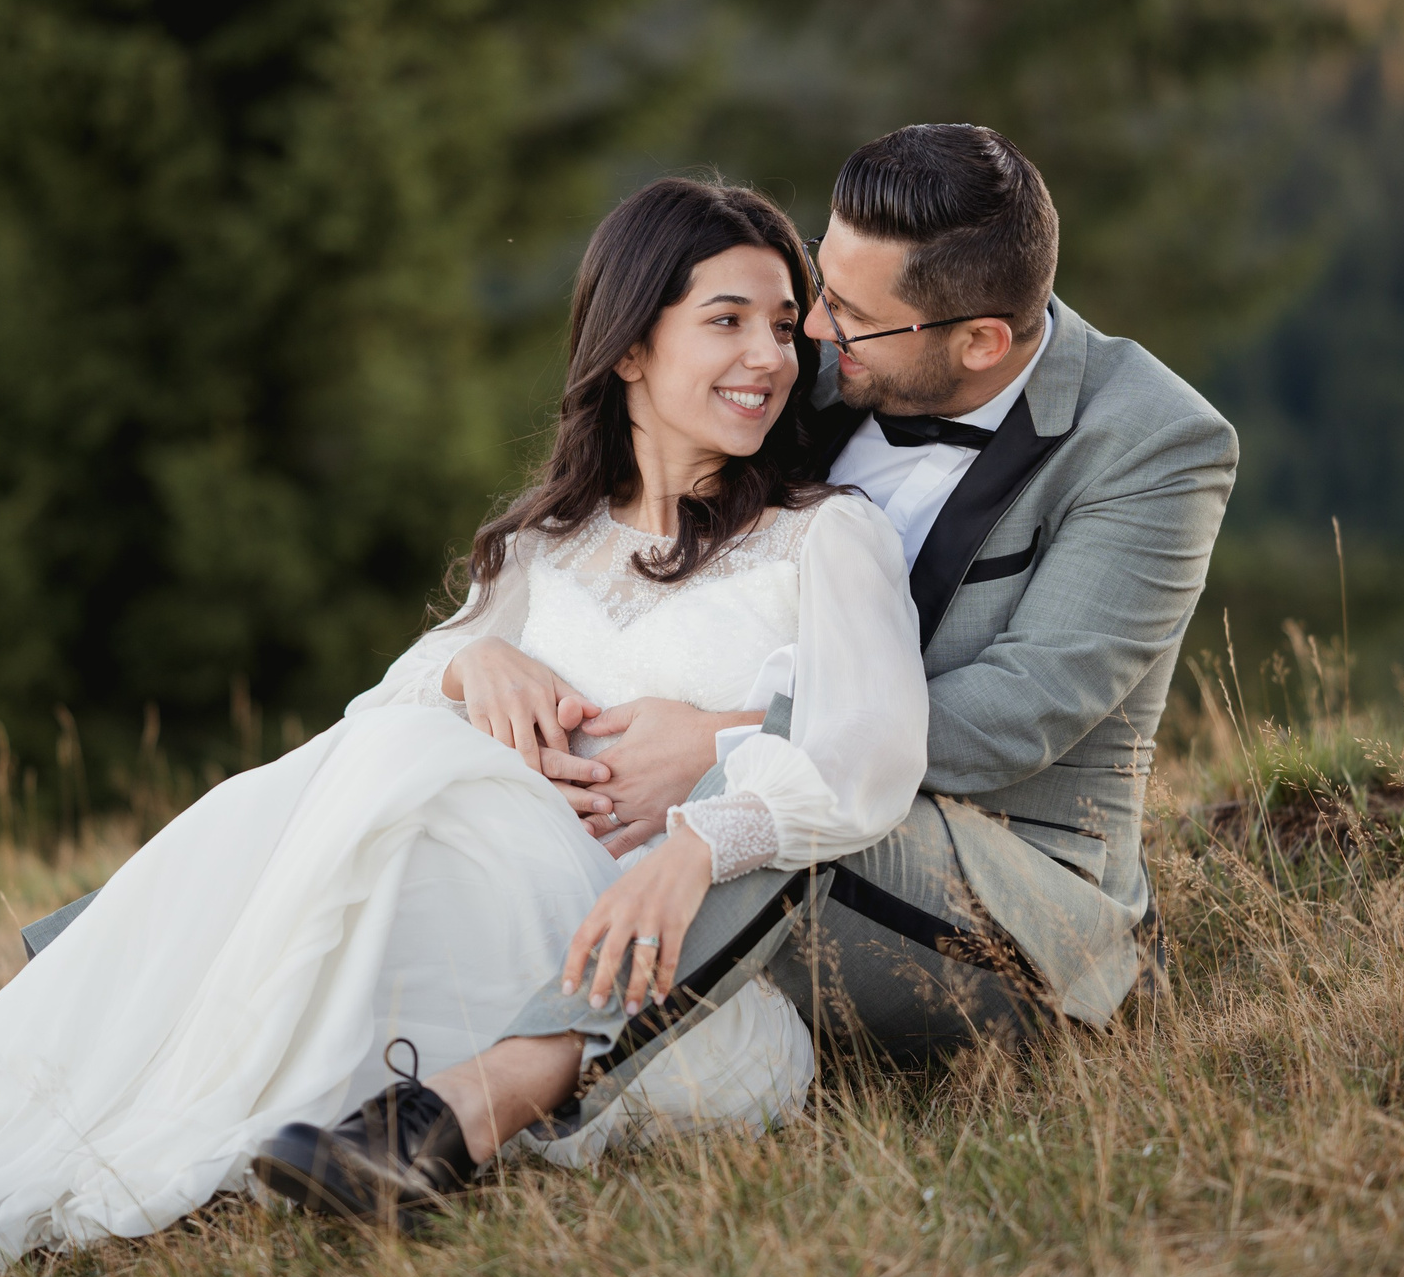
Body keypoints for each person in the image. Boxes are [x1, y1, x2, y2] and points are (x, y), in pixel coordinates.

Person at [0, 178, 929, 1277]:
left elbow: (869, 758)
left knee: (386, 769)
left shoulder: (824, 541)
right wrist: (471, 668)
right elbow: (379, 719)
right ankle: (87, 1078)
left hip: (638, 963)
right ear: (632, 343)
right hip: (469, 906)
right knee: (376, 755)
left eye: (783, 322)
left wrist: (715, 778)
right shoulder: (542, 547)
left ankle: (193, 1092)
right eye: (728, 320)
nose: (769, 355)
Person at [505, 122, 1239, 1122]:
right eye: (822, 286)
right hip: (758, 825)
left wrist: (723, 742)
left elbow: (1018, 713)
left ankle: (489, 1101)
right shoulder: (819, 366)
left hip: (1007, 903)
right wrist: (489, 657)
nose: (804, 330)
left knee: (768, 808)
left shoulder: (1152, 444)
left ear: (979, 340)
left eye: (847, 313)